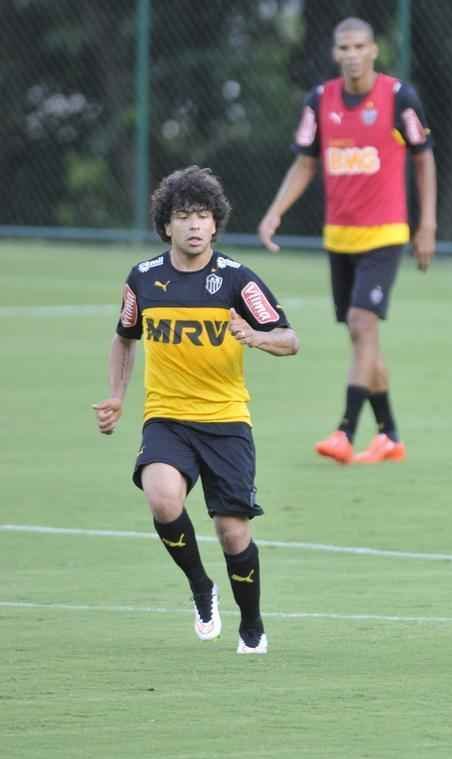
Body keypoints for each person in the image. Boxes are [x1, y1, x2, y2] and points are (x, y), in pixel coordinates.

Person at [93, 165, 299, 654]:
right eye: (183, 215)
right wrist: (118, 396)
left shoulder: (237, 281)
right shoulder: (142, 280)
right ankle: (201, 587)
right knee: (162, 498)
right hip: (167, 417)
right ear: (166, 224)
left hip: (226, 421)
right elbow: (124, 340)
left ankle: (251, 624)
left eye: (202, 215)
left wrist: (257, 338)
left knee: (232, 532)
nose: (193, 225)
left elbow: (290, 339)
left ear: (215, 224)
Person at [257, 16, 436, 465]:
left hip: (386, 233)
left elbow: (424, 158)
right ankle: (389, 435)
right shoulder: (320, 100)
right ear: (335, 54)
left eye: (360, 46)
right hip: (339, 237)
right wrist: (275, 211)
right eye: (344, 48)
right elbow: (305, 163)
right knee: (363, 337)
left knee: (362, 324)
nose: (352, 55)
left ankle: (345, 430)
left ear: (374, 50)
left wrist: (426, 224)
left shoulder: (399, 98)